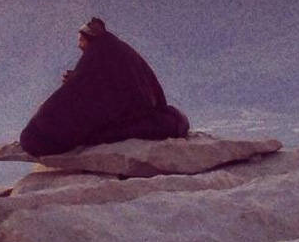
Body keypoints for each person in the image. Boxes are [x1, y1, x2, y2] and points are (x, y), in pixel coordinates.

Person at [18, 17, 189, 157]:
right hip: (135, 107)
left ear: (89, 39)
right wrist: (77, 79)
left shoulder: (98, 52)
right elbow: (105, 83)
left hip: (128, 112)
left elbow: (100, 90)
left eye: (81, 40)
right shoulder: (114, 48)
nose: (79, 45)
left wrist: (76, 82)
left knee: (40, 133)